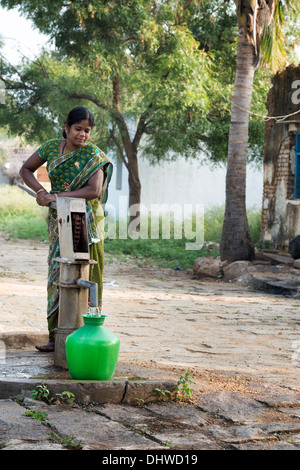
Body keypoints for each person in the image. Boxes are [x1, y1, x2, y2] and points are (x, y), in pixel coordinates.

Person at [19, 106, 113, 352]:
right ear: (66, 127)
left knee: (85, 274)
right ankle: (55, 336)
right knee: (57, 272)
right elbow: (25, 169)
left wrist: (56, 196)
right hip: (60, 219)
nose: (82, 135)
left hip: (87, 221)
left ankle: (87, 337)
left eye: (87, 131)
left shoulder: (94, 156)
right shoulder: (51, 148)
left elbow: (94, 191)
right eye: (78, 129)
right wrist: (41, 192)